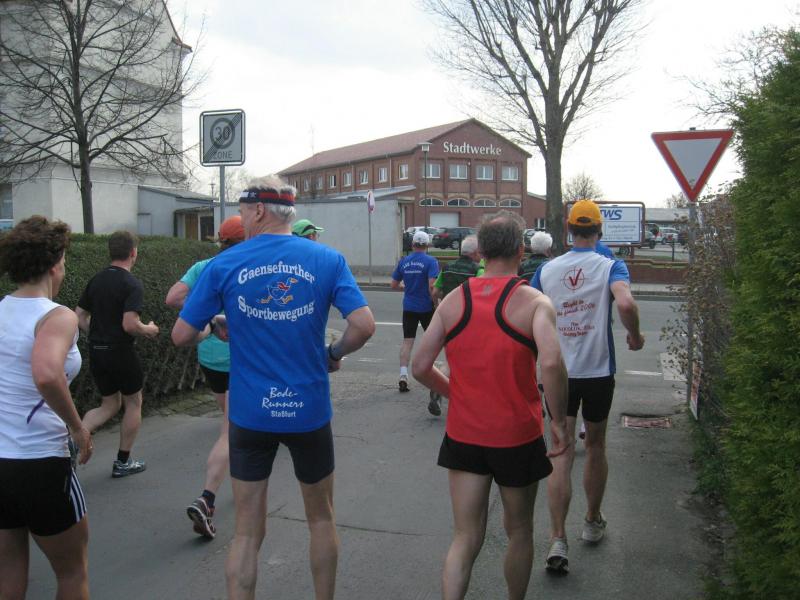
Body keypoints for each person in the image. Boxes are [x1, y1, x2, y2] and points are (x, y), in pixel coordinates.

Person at [171, 175, 375, 600]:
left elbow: (181, 335)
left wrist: (213, 324)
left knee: (246, 532)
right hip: (308, 411)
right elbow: (364, 325)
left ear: (259, 210)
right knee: (321, 519)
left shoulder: (224, 264)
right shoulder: (327, 259)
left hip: (250, 413)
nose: (241, 219)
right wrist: (333, 353)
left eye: (243, 211)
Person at [412, 211, 570, 600]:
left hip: (465, 434)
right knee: (519, 530)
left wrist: (454, 394)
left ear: (480, 252)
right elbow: (551, 363)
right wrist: (559, 422)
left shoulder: (453, 301)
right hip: (517, 436)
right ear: (520, 252)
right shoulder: (535, 302)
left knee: (465, 536)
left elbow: (420, 366)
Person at [532, 199, 645, 574]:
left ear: (568, 230)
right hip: (597, 371)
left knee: (560, 450)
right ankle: (592, 521)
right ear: (599, 231)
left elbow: (528, 313)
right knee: (594, 446)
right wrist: (635, 336)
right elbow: (625, 304)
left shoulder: (547, 269)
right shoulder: (611, 265)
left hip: (557, 371)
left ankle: (557, 538)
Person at [0, 216, 93, 600]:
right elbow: (47, 373)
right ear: (55, 265)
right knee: (72, 572)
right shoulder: (56, 316)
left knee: (8, 571)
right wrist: (77, 426)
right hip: (40, 461)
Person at [165, 215, 245, 539]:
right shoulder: (247, 268)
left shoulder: (203, 267)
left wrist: (209, 315)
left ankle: (238, 485)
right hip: (239, 358)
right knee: (230, 431)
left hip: (210, 358)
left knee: (233, 425)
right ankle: (207, 499)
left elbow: (172, 298)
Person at [76, 231, 159, 478]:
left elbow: (78, 315)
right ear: (133, 253)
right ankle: (123, 462)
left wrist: (97, 334)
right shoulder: (131, 283)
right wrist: (149, 329)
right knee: (134, 402)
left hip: (97, 351)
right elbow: (130, 324)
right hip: (120, 352)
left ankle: (72, 442)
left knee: (109, 404)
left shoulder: (96, 280)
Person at [427, 235, 481, 416]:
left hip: (449, 318)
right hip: (469, 319)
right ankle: (468, 399)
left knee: (451, 358)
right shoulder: (477, 270)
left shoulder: (448, 268)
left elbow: (435, 291)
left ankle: (439, 386)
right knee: (470, 359)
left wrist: (438, 306)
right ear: (475, 252)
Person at [391, 230, 439, 393]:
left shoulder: (404, 261)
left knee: (407, 341)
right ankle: (431, 374)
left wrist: (407, 288)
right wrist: (436, 304)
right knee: (433, 341)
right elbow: (431, 286)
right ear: (427, 245)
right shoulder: (431, 261)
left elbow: (394, 285)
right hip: (426, 307)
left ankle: (403, 375)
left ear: (412, 245)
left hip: (409, 307)